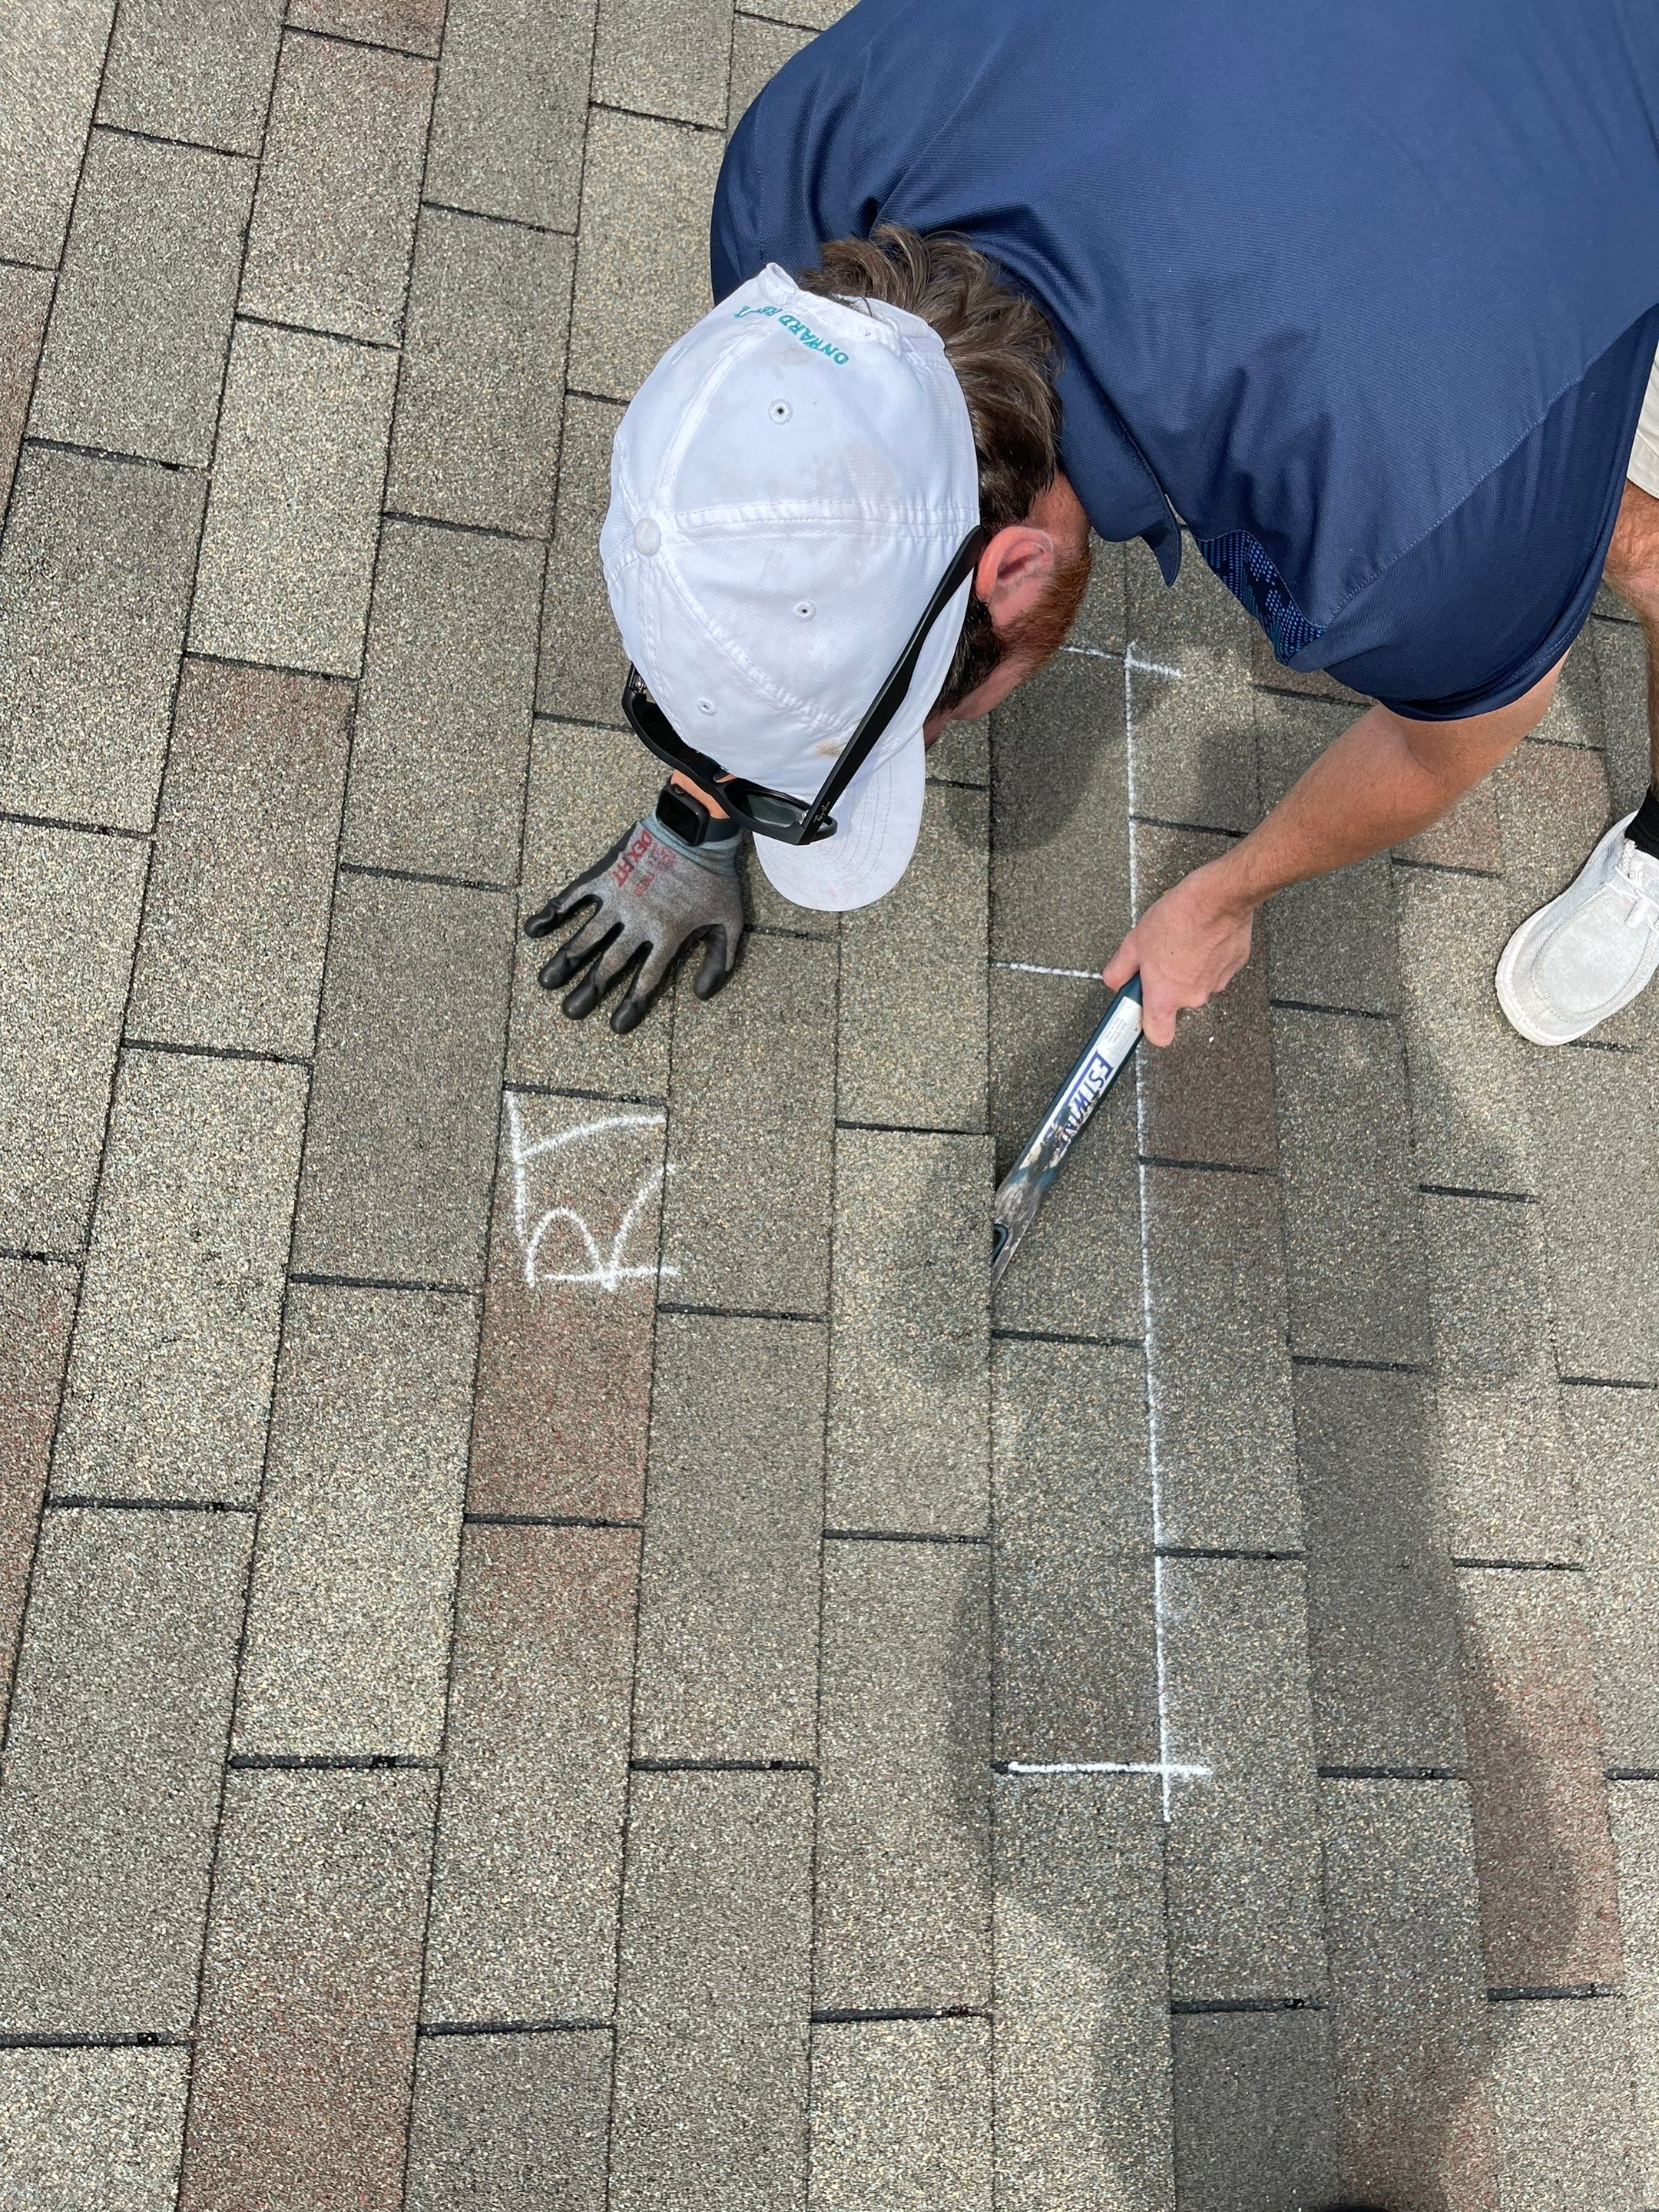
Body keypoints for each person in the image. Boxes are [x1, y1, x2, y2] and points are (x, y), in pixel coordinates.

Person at [527, 0, 1659, 1051]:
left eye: (931, 727)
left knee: (1635, 553)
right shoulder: (802, 168)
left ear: (1013, 568)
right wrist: (719, 780)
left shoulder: (1394, 541)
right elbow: (774, 490)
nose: (932, 742)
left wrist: (1228, 895)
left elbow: (1451, 735)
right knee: (1526, 460)